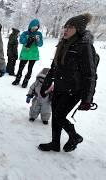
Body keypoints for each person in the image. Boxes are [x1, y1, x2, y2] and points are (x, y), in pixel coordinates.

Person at [38, 13, 97, 152]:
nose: (65, 30)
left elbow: (90, 74)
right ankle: (55, 143)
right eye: (65, 27)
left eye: (70, 27)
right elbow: (54, 67)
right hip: (60, 86)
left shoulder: (84, 46)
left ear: (78, 29)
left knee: (59, 115)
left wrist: (87, 99)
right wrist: (46, 84)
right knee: (56, 115)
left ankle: (74, 137)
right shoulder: (63, 43)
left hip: (74, 90)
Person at [12, 19, 43, 88]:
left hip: (33, 55)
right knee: (21, 68)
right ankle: (17, 80)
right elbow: (21, 41)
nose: (34, 29)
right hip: (25, 54)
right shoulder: (25, 33)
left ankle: (25, 82)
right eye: (33, 27)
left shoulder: (39, 34)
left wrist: (38, 40)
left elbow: (40, 44)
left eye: (36, 27)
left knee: (30, 69)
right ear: (30, 26)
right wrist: (29, 39)